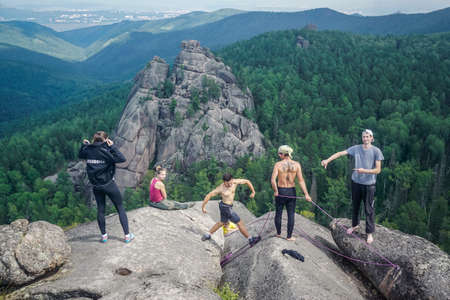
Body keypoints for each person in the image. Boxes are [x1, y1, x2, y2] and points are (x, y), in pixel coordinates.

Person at [321, 129, 384, 244]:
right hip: (356, 182)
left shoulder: (376, 151)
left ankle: (369, 233)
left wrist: (364, 170)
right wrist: (327, 160)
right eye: (364, 136)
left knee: (368, 208)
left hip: (369, 185)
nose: (365, 138)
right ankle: (355, 225)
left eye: (367, 136)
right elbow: (341, 153)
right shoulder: (356, 148)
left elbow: (378, 170)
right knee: (355, 206)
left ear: (372, 138)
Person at [78, 131, 134, 243]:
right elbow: (122, 158)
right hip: (109, 184)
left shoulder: (88, 150)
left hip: (96, 186)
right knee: (120, 207)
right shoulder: (106, 151)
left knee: (101, 210)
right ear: (106, 140)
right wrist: (112, 146)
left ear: (94, 140)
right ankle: (127, 236)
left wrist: (84, 145)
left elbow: (80, 155)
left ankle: (104, 236)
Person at [201, 173, 260, 246]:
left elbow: (247, 181)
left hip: (226, 206)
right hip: (226, 207)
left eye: (230, 183)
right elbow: (209, 195)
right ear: (224, 182)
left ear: (232, 179)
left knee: (222, 222)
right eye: (227, 183)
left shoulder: (235, 182)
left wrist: (253, 191)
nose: (229, 185)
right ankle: (250, 239)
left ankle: (208, 234)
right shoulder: (221, 188)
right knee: (239, 222)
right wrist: (203, 206)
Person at [271, 145, 312, 241]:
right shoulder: (296, 164)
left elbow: (273, 180)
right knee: (291, 214)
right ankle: (289, 236)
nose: (279, 155)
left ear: (283, 154)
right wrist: (306, 194)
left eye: (279, 153)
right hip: (291, 191)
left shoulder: (278, 165)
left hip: (281, 190)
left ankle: (278, 233)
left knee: (278, 213)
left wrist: (276, 191)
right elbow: (301, 181)